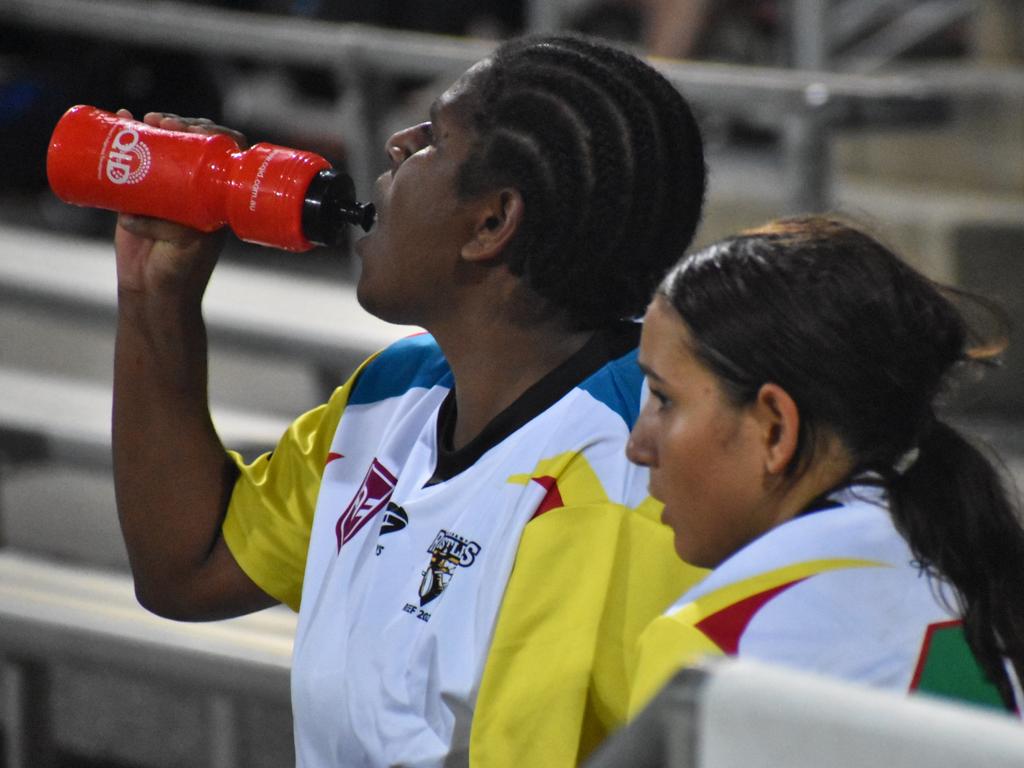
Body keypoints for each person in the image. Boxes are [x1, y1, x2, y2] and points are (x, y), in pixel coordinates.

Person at [111, 33, 708, 766]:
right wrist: (154, 293)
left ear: (492, 222)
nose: (398, 143)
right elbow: (186, 568)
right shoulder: (392, 392)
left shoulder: (650, 472)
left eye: (435, 137)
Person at [625, 215, 1024, 717]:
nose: (637, 445)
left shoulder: (719, 649)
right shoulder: (960, 578)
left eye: (663, 399)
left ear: (774, 429)